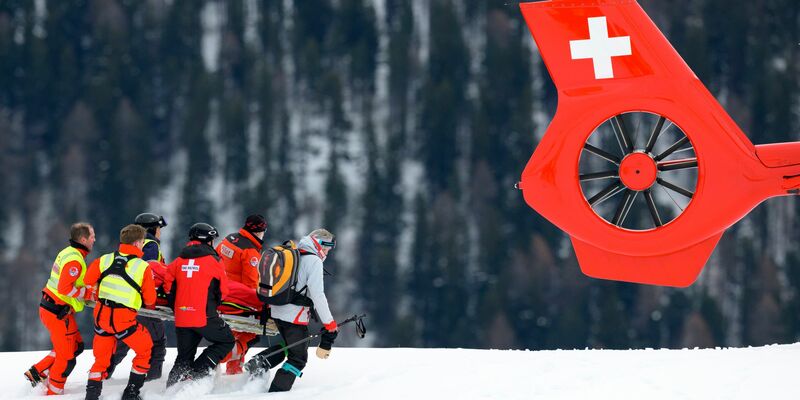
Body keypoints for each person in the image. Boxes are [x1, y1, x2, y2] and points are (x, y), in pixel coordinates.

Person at [246, 229, 339, 392]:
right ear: (318, 244)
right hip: (294, 317)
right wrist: (329, 323)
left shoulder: (295, 254)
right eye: (325, 249)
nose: (326, 253)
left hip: (277, 311)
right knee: (298, 358)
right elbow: (318, 295)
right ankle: (276, 393)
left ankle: (260, 362)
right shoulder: (314, 261)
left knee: (289, 345)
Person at [83, 224, 157, 400]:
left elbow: (87, 281)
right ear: (138, 243)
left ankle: (91, 395)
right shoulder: (142, 267)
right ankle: (131, 393)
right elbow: (150, 299)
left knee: (100, 360)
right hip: (124, 321)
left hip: (101, 318)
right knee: (145, 349)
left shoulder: (104, 259)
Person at [24, 222, 96, 395]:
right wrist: (87, 293)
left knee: (76, 346)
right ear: (84, 239)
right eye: (92, 236)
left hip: (56, 310)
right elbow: (65, 288)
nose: (95, 239)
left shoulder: (69, 252)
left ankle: (37, 372)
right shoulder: (74, 260)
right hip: (56, 313)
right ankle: (53, 394)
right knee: (67, 359)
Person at [164, 223, 235, 387]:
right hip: (204, 315)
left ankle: (171, 390)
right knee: (226, 341)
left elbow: (167, 287)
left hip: (182, 317)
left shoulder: (178, 261)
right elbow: (224, 290)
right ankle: (196, 374)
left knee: (183, 357)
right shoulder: (214, 261)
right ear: (208, 240)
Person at [106, 213, 168, 381]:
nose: (160, 233)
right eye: (158, 229)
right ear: (152, 230)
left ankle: (103, 373)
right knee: (157, 343)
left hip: (125, 301)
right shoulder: (151, 245)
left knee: (124, 340)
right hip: (142, 302)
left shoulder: (125, 244)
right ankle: (153, 382)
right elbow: (150, 273)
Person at [216, 214, 267, 374]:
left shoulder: (229, 239)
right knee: (251, 332)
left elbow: (215, 257)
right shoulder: (251, 252)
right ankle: (221, 360)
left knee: (234, 333)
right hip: (235, 299)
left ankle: (234, 369)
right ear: (260, 231)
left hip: (218, 292)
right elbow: (251, 284)